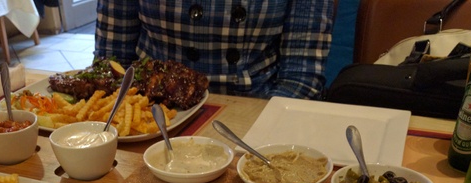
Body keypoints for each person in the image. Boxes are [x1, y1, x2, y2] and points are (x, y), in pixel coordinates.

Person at [95, 1, 335, 100]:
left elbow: (301, 75)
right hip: (152, 113)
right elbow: (112, 58)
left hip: (257, 108)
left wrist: (264, 129)